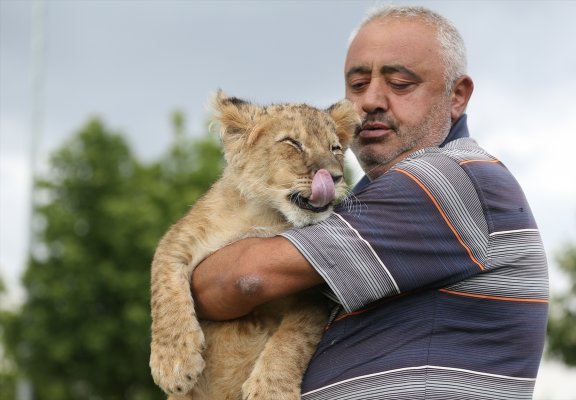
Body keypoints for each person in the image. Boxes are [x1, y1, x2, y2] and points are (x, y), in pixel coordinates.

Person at [191, 5, 549, 399]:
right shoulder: (362, 199)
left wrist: (191, 271)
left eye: (400, 83)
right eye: (358, 85)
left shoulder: (450, 178)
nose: (371, 101)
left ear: (457, 96)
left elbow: (241, 279)